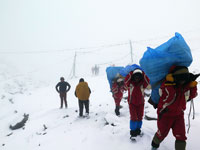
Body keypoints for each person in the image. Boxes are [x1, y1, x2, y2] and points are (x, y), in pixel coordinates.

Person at [151, 66, 198, 150]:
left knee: (181, 136)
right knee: (161, 134)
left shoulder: (185, 86)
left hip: (179, 115)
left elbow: (192, 95)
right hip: (165, 115)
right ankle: (154, 146)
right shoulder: (166, 85)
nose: (183, 81)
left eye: (185, 78)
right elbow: (168, 98)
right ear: (175, 77)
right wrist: (170, 83)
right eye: (181, 78)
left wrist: (192, 85)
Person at [124, 68, 150, 140]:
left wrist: (143, 73)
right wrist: (131, 72)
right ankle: (133, 133)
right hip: (132, 104)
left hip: (141, 103)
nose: (137, 79)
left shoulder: (142, 84)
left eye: (139, 77)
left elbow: (147, 81)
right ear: (133, 77)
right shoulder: (130, 84)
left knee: (140, 117)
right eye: (135, 77)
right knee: (134, 117)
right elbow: (126, 81)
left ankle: (138, 130)